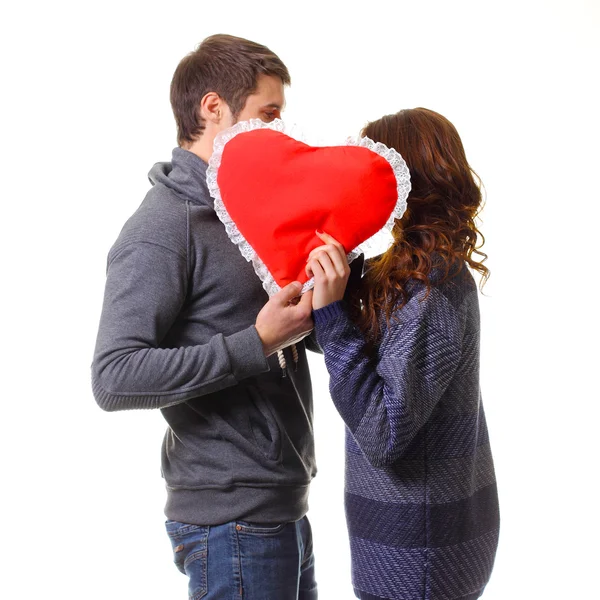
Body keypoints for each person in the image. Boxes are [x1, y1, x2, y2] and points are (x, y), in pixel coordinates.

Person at [91, 35, 319, 600]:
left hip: (279, 508)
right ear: (212, 108)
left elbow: (275, 327)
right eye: (267, 115)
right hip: (232, 523)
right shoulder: (163, 227)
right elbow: (113, 377)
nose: (278, 131)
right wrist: (257, 341)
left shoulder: (245, 214)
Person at [306, 108, 499, 600]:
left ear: (404, 180)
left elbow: (385, 432)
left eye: (371, 168)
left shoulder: (431, 289)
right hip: (412, 539)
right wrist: (336, 292)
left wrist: (331, 315)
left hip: (420, 556)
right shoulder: (405, 271)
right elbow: (353, 350)